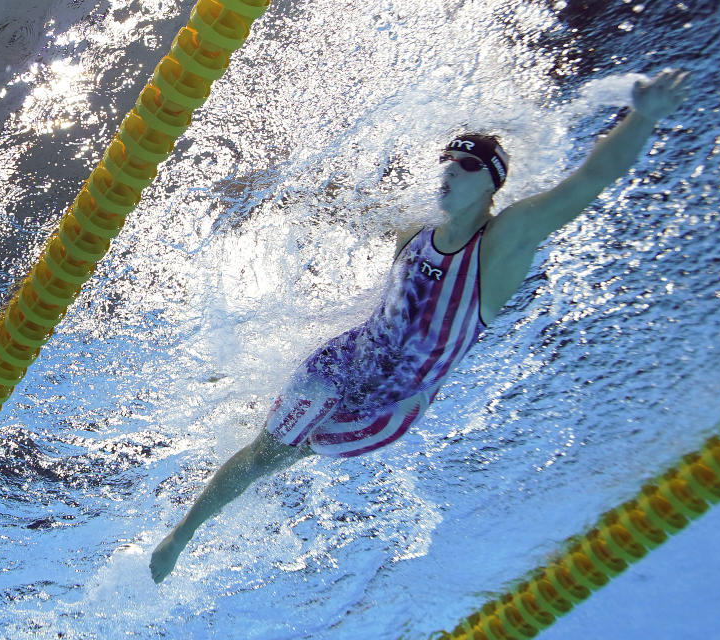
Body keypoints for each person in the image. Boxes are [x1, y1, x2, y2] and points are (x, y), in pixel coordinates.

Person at [150, 68, 689, 583]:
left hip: (388, 406)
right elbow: (345, 209)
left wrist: (641, 119)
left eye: (467, 166)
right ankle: (183, 533)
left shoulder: (501, 247)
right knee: (263, 450)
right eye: (448, 163)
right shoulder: (415, 233)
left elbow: (588, 183)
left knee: (281, 459)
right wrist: (267, 191)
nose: (450, 172)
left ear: (493, 184)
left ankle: (221, 517)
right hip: (342, 360)